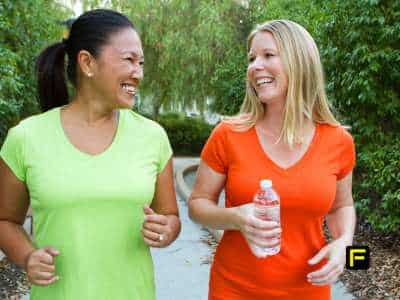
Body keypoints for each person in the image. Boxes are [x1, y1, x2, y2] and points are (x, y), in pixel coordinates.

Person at [0, 9, 180, 300]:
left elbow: (170, 215)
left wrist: (166, 229)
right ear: (87, 62)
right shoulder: (25, 138)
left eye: (142, 63)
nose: (139, 73)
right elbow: (5, 220)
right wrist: (27, 256)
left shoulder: (153, 137)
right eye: (129, 60)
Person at [189, 20, 356, 300]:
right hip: (234, 290)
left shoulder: (338, 141)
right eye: (252, 58)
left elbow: (342, 206)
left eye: (268, 55)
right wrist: (234, 217)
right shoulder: (228, 135)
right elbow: (197, 206)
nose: (255, 66)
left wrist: (345, 247)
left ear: (299, 62)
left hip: (308, 291)